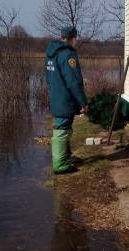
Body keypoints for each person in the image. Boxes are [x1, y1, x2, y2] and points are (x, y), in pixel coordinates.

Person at [45, 26, 88, 174]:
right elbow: (74, 81)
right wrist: (83, 102)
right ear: (72, 38)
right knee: (62, 128)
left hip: (56, 96)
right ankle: (60, 163)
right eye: (76, 38)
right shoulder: (67, 55)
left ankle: (66, 156)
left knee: (65, 127)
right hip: (65, 98)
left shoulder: (52, 53)